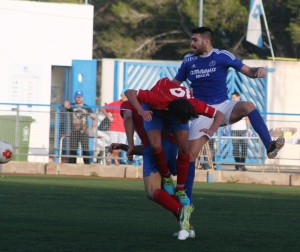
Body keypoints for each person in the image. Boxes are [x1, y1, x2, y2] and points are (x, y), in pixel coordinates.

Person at [171, 26, 285, 176]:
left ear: (206, 41)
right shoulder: (188, 61)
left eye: (195, 40)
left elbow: (249, 71)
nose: (192, 44)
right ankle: (186, 196)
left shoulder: (222, 56)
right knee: (189, 156)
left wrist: (258, 70)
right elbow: (173, 85)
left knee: (248, 106)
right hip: (202, 112)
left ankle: (269, 146)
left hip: (224, 107)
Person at [125, 77, 224, 205]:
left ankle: (180, 188)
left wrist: (211, 130)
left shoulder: (194, 104)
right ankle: (166, 177)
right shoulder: (158, 99)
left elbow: (219, 114)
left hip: (176, 109)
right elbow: (129, 92)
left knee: (185, 149)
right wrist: (141, 110)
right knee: (156, 146)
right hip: (154, 111)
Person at [109, 100, 194, 240]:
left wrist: (130, 144)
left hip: (158, 149)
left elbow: (128, 118)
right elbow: (150, 147)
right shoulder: (155, 106)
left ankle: (182, 212)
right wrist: (126, 147)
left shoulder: (128, 105)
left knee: (152, 191)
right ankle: (187, 226)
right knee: (166, 191)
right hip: (171, 148)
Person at [64, 90, 97, 164]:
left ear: (82, 98)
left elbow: (94, 117)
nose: (78, 99)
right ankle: (71, 166)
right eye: (77, 97)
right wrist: (66, 103)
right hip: (74, 131)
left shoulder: (86, 107)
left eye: (80, 97)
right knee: (73, 150)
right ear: (75, 98)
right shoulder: (72, 106)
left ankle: (87, 166)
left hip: (84, 132)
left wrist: (92, 128)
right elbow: (66, 106)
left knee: (85, 150)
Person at [100, 93, 127, 165]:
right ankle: (116, 161)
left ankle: (110, 156)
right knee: (115, 146)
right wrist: (108, 117)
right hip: (114, 128)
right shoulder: (116, 103)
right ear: (121, 96)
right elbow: (103, 109)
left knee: (121, 146)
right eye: (123, 95)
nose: (125, 97)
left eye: (126, 95)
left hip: (123, 129)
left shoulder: (130, 105)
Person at [231, 92, 251, 171]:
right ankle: (237, 165)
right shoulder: (231, 106)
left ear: (238, 97)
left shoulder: (243, 105)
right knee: (235, 148)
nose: (233, 99)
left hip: (243, 129)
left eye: (234, 97)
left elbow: (247, 117)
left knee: (244, 148)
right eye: (232, 98)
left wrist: (248, 128)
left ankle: (242, 165)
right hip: (234, 130)